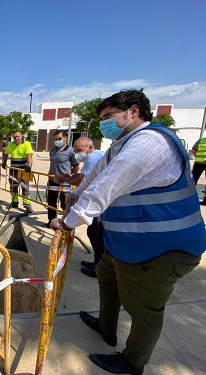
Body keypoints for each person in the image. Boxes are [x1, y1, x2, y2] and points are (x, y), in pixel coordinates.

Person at [50, 90, 205, 374]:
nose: (104, 124)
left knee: (144, 310)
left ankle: (133, 362)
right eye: (101, 119)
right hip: (128, 243)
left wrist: (69, 221)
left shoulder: (150, 143)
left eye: (109, 117)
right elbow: (96, 177)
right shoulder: (122, 144)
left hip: (162, 249)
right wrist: (76, 195)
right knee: (106, 279)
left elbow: (108, 186)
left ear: (133, 111)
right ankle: (106, 327)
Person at [54, 136, 104, 278]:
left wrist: (65, 179)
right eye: (75, 150)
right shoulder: (98, 155)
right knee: (94, 232)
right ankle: (97, 262)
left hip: (99, 202)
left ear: (89, 147)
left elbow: (82, 180)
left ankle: (99, 267)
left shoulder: (92, 157)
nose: (76, 153)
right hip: (99, 200)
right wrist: (75, 192)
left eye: (79, 150)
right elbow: (85, 179)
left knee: (96, 233)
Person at [45, 129, 79, 226]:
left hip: (65, 182)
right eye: (55, 139)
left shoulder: (71, 151)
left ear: (65, 138)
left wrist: (69, 177)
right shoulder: (52, 151)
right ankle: (51, 222)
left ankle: (66, 224)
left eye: (59, 138)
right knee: (51, 202)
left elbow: (76, 167)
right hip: (52, 180)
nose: (57, 141)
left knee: (65, 203)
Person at [1, 130, 34, 213]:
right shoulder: (11, 145)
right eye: (14, 137)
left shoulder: (26, 144)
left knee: (25, 188)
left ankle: (27, 205)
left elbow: (29, 156)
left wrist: (29, 166)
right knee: (13, 186)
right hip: (13, 169)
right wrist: (4, 162)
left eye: (17, 136)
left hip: (24, 170)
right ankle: (14, 202)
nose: (16, 138)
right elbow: (6, 153)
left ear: (21, 136)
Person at [190, 137, 206, 204]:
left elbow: (193, 151)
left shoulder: (201, 140)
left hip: (198, 163)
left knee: (192, 180)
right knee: (192, 180)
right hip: (198, 163)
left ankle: (189, 197)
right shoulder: (201, 140)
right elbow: (193, 150)